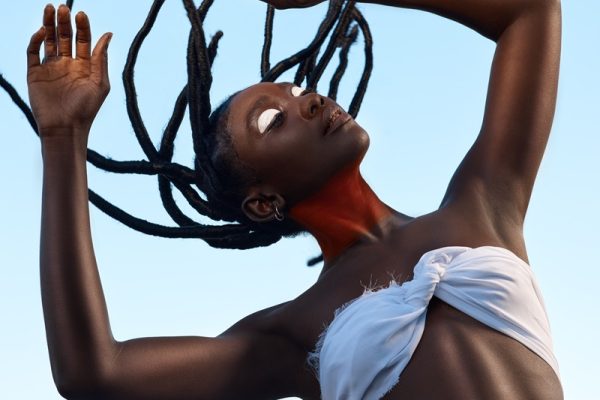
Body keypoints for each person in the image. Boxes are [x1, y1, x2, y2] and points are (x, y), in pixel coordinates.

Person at [28, 0, 562, 399]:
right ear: (263, 202)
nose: (307, 103)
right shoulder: (293, 332)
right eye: (272, 120)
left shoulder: (483, 201)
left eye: (298, 91)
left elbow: (531, 9)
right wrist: (62, 140)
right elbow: (94, 372)